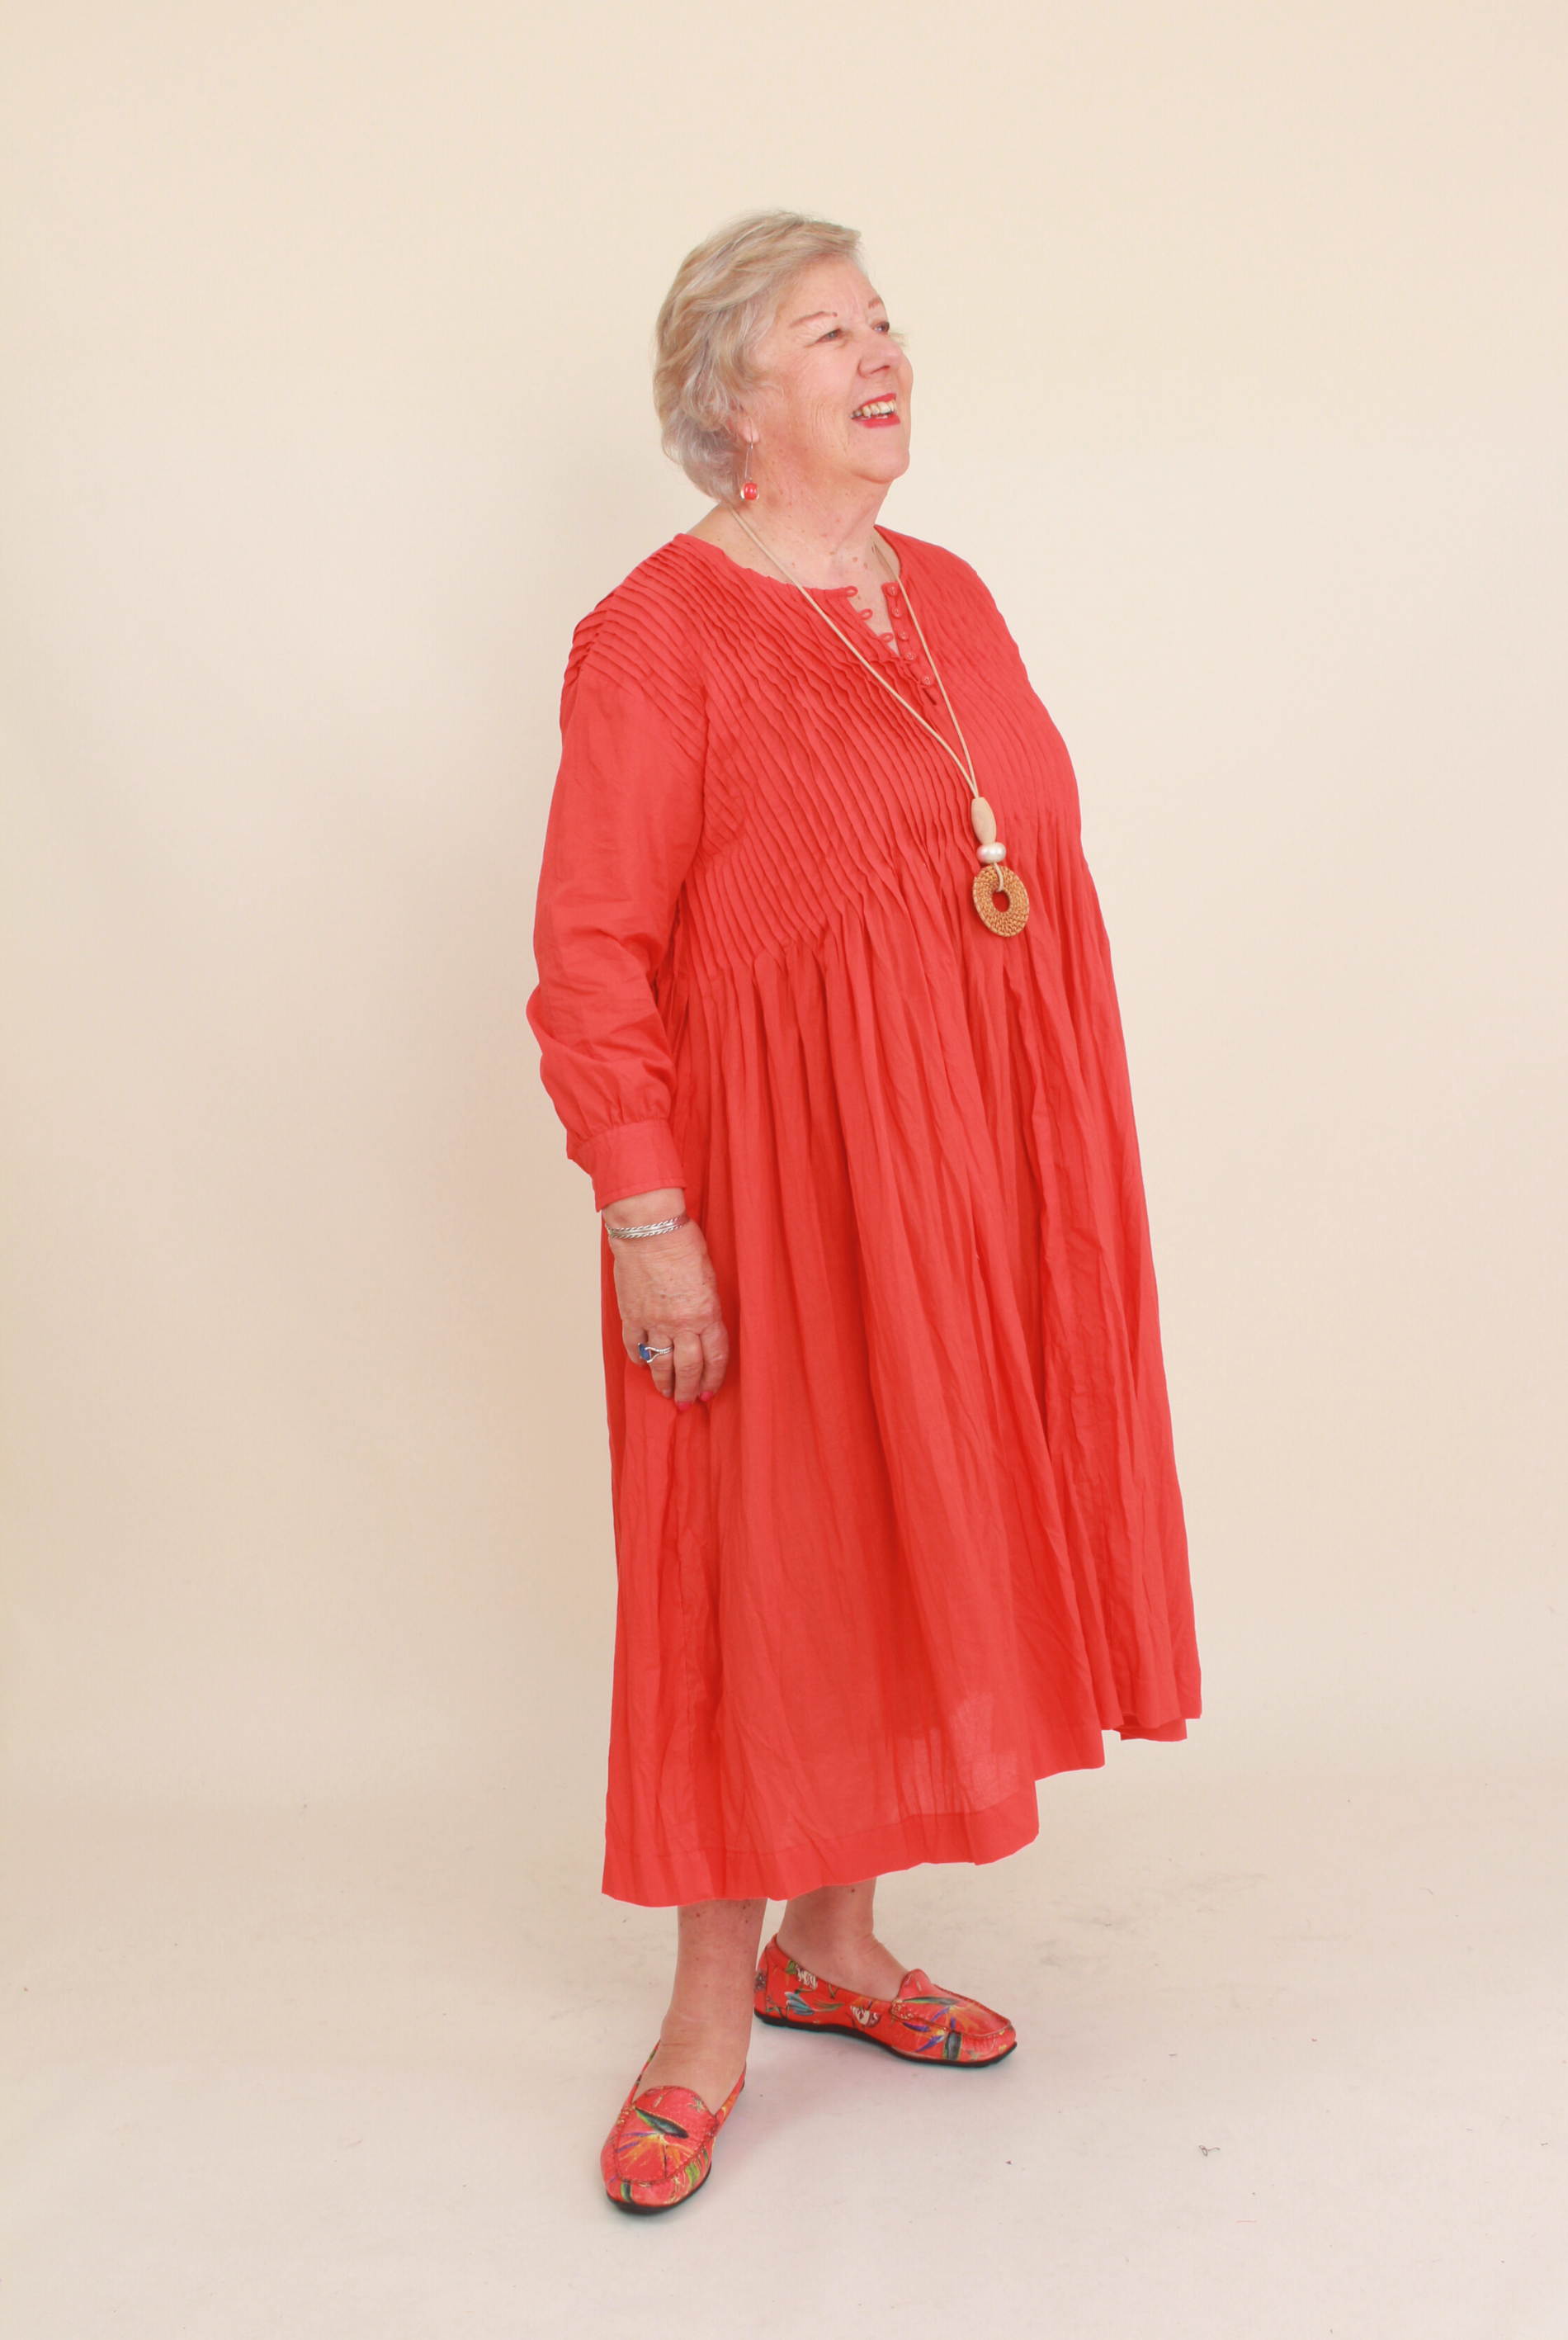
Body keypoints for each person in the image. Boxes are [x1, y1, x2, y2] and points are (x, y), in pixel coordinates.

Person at [528, 211, 1201, 2215]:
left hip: (967, 1161)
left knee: (913, 1530)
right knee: (759, 1568)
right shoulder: (652, 639)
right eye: (829, 332)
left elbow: (1007, 864)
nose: (882, 353)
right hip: (771, 1188)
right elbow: (590, 954)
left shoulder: (949, 593)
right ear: (730, 398)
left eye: (884, 321)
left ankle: (831, 1948)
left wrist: (1019, 1150)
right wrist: (648, 1217)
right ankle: (701, 2022)